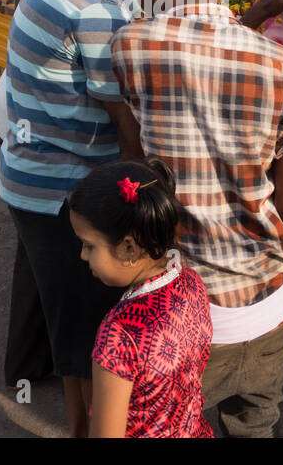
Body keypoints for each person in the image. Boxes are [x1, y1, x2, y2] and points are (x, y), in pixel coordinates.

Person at [109, 0, 283, 438]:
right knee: (256, 424)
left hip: (187, 305)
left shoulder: (132, 48)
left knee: (177, 425)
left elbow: (134, 169)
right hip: (270, 298)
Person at [0, 0, 147, 438]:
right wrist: (140, 192)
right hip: (60, 185)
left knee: (56, 299)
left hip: (31, 172)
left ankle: (36, 374)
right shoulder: (91, 2)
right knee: (89, 330)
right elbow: (124, 118)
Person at [67, 157, 214, 439]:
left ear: (129, 248)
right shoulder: (191, 282)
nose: (83, 255)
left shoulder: (119, 334)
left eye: (89, 245)